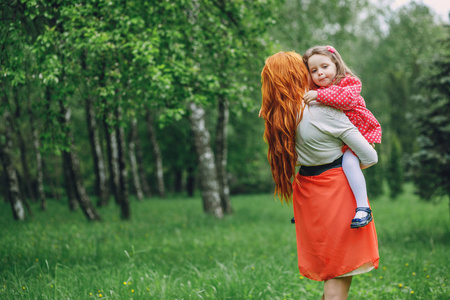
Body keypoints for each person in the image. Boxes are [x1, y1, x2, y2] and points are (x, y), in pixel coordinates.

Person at [259, 51, 379, 299]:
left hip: (307, 194)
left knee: (332, 269)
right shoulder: (322, 111)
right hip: (336, 191)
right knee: (339, 270)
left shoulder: (278, 118)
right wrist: (351, 166)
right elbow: (370, 156)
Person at [301, 45, 382, 228]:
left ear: (336, 64)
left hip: (360, 131)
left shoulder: (349, 83)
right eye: (314, 70)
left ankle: (363, 207)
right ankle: (306, 209)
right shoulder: (314, 91)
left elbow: (345, 100)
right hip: (339, 137)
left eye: (324, 66)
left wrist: (318, 95)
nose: (320, 73)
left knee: (349, 162)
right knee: (312, 169)